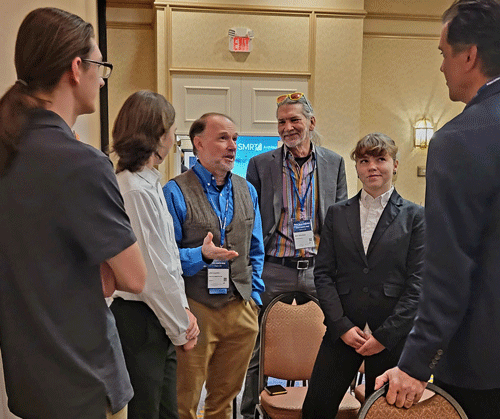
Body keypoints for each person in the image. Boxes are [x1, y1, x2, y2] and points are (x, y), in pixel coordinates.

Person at [0, 7, 146, 419]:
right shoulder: (80, 163)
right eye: (100, 65)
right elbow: (132, 278)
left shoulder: (11, 151)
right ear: (76, 67)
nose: (102, 78)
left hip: (30, 383)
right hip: (85, 381)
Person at [375, 2, 500, 418]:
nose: (442, 68)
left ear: (470, 56)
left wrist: (414, 364)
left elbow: (449, 267)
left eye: (444, 55)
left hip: (483, 364)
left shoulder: (461, 140)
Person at [301, 133, 425, 419]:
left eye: (380, 159)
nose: (372, 167)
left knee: (385, 414)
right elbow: (323, 274)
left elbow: (418, 283)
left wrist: (384, 335)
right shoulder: (336, 214)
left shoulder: (416, 216)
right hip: (343, 331)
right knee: (316, 410)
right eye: (364, 160)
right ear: (356, 167)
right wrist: (342, 326)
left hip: (390, 336)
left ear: (395, 165)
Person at [242, 92, 347, 418]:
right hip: (275, 268)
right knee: (257, 345)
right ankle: (249, 411)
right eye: (282, 122)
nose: (287, 127)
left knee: (333, 340)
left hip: (318, 269)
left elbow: (340, 220)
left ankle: (325, 406)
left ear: (311, 123)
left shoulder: (335, 163)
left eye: (294, 120)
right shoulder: (261, 165)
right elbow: (253, 222)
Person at [163, 113, 265, 419]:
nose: (232, 145)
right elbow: (164, 258)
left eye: (235, 139)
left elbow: (255, 250)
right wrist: (202, 255)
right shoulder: (174, 191)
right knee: (185, 402)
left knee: (224, 402)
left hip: (240, 308)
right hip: (196, 309)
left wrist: (255, 299)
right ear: (198, 144)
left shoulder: (248, 190)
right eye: (223, 138)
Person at [110, 90, 200, 419]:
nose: (174, 139)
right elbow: (152, 272)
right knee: (146, 413)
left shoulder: (148, 184)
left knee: (166, 412)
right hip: (141, 319)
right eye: (172, 131)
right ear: (156, 135)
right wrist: (180, 326)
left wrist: (182, 315)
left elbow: (167, 260)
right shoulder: (133, 188)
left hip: (157, 318)